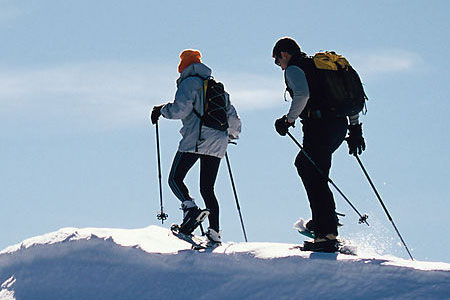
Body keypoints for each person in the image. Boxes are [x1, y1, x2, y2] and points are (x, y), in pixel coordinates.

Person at [272, 37, 366, 252]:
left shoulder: (295, 68)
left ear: (284, 54)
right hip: (338, 126)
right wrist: (355, 129)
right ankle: (324, 222)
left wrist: (288, 120)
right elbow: (345, 98)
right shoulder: (320, 67)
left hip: (319, 126)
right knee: (315, 170)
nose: (279, 66)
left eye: (277, 62)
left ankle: (326, 233)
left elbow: (302, 94)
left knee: (308, 168)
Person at [151, 49, 241, 245]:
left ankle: (190, 209)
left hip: (196, 138)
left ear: (183, 67)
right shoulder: (217, 88)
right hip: (218, 141)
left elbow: (179, 110)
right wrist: (230, 136)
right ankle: (214, 232)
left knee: (175, 178)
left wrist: (160, 111)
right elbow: (233, 119)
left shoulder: (189, 83)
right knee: (208, 188)